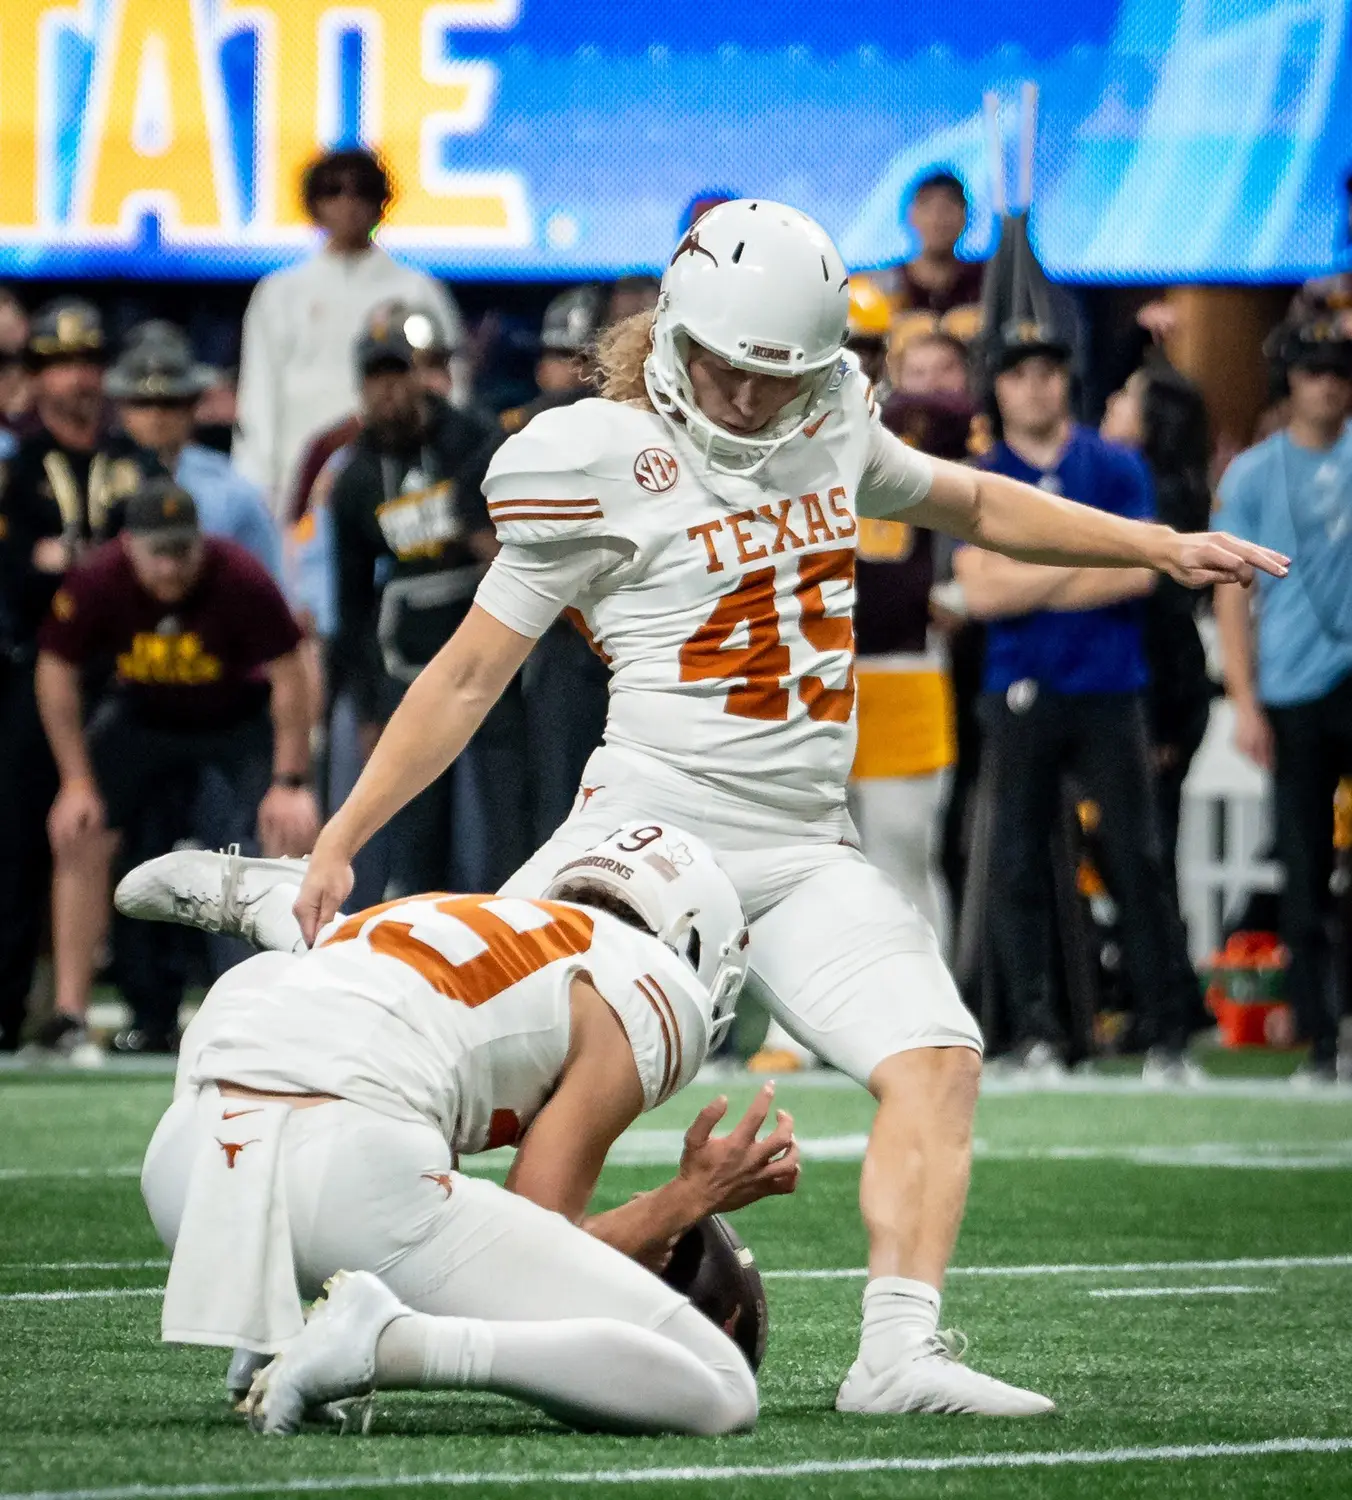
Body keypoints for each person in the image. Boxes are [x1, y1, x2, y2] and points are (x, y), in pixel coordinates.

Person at [291, 199, 1283, 1416]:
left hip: (804, 847)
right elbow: (465, 673)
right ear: (671, 332)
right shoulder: (596, 458)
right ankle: (328, 1306)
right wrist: (343, 834)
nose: (753, 402)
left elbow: (970, 504)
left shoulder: (830, 419)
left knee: (937, 1057)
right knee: (487, 1078)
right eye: (727, 369)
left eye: (780, 375)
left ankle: (896, 1357)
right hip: (646, 836)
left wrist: (1153, 544)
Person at [126, 826, 791, 1436]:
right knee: (723, 1388)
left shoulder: (436, 916)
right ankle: (381, 1343)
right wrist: (685, 1199)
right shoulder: (654, 984)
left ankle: (268, 1333)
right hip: (342, 1172)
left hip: (184, 1172)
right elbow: (537, 1224)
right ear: (696, 942)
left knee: (292, 998)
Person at [954, 326, 1208, 1083]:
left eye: (1049, 372)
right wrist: (1085, 557)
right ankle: (1035, 1034)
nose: (1036, 386)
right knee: (1017, 863)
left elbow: (1139, 573)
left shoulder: (1115, 463)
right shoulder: (981, 473)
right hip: (1019, 689)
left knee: (1139, 859)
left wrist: (1030, 566)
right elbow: (980, 593)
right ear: (998, 388)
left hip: (1110, 688)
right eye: (1020, 373)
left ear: (1069, 382)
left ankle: (1167, 1035)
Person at [31, 480, 317, 1060]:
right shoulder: (97, 580)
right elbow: (56, 670)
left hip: (232, 718)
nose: (170, 568)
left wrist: (290, 782)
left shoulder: (239, 575)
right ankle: (69, 1014)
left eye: (181, 552)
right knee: (79, 831)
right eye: (157, 554)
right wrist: (76, 781)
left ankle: (285, 1009)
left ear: (200, 544)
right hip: (141, 717)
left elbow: (290, 674)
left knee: (285, 834)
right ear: (130, 546)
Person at [0, 299, 159, 1058]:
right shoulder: (18, 469)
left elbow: (151, 569)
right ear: (36, 378)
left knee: (136, 838)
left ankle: (141, 1010)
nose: (77, 379)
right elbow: (17, 576)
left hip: (130, 675)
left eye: (88, 363)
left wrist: (67, 566)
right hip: (31, 672)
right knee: (19, 842)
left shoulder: (135, 462)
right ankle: (15, 1012)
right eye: (60, 364)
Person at [329, 312, 515, 897]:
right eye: (375, 377)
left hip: (491, 655)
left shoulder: (473, 441)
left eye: (398, 373)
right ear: (361, 386)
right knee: (415, 827)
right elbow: (351, 599)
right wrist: (363, 708)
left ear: (419, 376)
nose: (388, 389)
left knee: (505, 817)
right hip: (403, 668)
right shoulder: (356, 479)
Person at [1213, 321, 1352, 1085]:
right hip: (1293, 686)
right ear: (1290, 382)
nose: (1327, 384)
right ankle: (1321, 1037)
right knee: (1303, 868)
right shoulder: (1255, 475)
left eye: (1339, 371)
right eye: (1313, 371)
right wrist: (1245, 699)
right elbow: (1234, 596)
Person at [232, 148, 465, 518]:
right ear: (314, 204)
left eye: (362, 191)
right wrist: (258, 488)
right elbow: (258, 396)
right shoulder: (280, 292)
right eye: (333, 191)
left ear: (380, 202)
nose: (348, 203)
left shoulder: (416, 290)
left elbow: (451, 388)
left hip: (397, 463)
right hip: (301, 472)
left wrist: (451, 461)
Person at [465, 285, 612, 846]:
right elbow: (466, 507)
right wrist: (532, 575)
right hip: (561, 639)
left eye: (579, 359)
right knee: (556, 796)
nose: (568, 374)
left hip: (627, 633)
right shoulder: (527, 422)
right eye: (557, 357)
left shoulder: (636, 425)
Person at [1101, 364, 1214, 898]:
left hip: (1159, 700)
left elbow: (1165, 618)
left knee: (1143, 859)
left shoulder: (1161, 503)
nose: (1112, 401)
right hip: (1156, 695)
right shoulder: (1144, 487)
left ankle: (1158, 978)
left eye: (1127, 394)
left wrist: (1163, 726)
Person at [106, 322, 282, 579]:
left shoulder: (232, 493)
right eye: (142, 402)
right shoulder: (92, 478)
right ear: (120, 407)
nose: (156, 416)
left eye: (170, 403)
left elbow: (267, 588)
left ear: (193, 406)